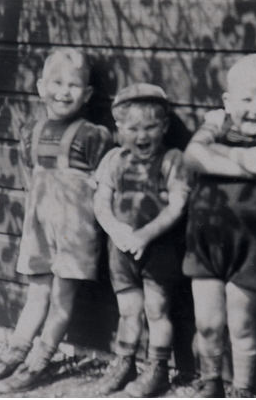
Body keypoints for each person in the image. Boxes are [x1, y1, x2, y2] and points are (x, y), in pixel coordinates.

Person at [0, 48, 113, 393]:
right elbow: (29, 178)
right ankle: (15, 353)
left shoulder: (92, 135)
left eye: (74, 85)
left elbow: (106, 183)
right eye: (57, 82)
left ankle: (40, 358)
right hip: (39, 227)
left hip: (75, 231)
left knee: (62, 296)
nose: (64, 91)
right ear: (41, 86)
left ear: (88, 94)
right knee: (37, 292)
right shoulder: (30, 131)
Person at [182, 54, 256, 397]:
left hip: (253, 247)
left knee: (241, 324)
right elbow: (192, 156)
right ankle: (210, 381)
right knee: (207, 323)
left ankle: (243, 388)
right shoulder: (217, 123)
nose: (255, 109)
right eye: (246, 100)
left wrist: (222, 156)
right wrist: (250, 162)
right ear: (227, 102)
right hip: (204, 239)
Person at [93, 84, 190, 397]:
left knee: (156, 309)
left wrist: (146, 234)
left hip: (159, 249)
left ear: (163, 126)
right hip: (120, 250)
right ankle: (125, 363)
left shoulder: (171, 159)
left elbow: (178, 204)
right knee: (128, 310)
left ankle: (158, 370)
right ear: (119, 129)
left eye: (150, 127)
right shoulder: (114, 159)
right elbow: (101, 201)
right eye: (132, 128)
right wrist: (114, 229)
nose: (142, 136)